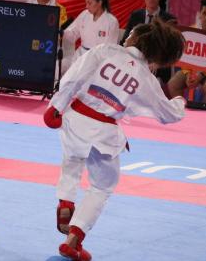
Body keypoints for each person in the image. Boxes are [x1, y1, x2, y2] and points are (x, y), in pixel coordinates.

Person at [43, 19, 186, 260]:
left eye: (130, 33)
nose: (126, 35)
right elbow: (167, 114)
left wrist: (55, 106)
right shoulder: (146, 78)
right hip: (104, 130)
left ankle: (66, 201)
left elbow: (74, 77)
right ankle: (74, 239)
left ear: (136, 39)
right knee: (102, 186)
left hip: (76, 116)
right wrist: (180, 102)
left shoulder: (104, 50)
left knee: (73, 159)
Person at [167, 0, 206, 106]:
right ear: (199, 13)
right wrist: (187, 75)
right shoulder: (191, 30)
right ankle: (182, 110)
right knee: (173, 84)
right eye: (204, 13)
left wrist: (200, 75)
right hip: (191, 70)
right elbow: (185, 58)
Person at [120, 0, 177, 85]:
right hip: (134, 61)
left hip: (157, 66)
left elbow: (171, 49)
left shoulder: (169, 20)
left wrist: (158, 63)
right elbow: (124, 41)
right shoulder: (135, 15)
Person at [63, 0, 119, 69]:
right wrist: (62, 33)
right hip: (80, 56)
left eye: (89, 3)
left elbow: (110, 49)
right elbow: (73, 33)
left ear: (100, 2)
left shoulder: (112, 21)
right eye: (86, 3)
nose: (87, 6)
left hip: (98, 61)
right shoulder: (84, 15)